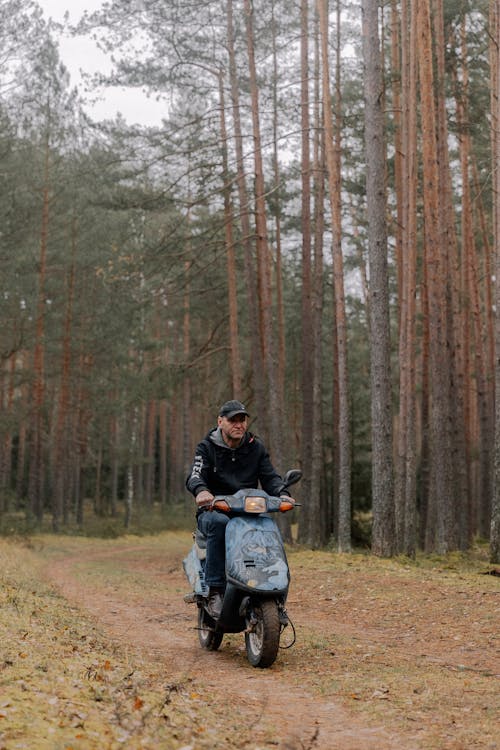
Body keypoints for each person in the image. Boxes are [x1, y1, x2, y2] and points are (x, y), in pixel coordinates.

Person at [186, 399, 295, 619]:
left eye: (242, 419)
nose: (239, 424)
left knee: (267, 526)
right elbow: (195, 474)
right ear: (220, 421)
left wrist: (283, 493)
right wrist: (202, 491)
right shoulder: (206, 447)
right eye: (232, 420)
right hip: (214, 510)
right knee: (220, 524)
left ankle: (276, 595)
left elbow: (269, 476)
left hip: (248, 511)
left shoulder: (255, 447)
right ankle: (215, 591)